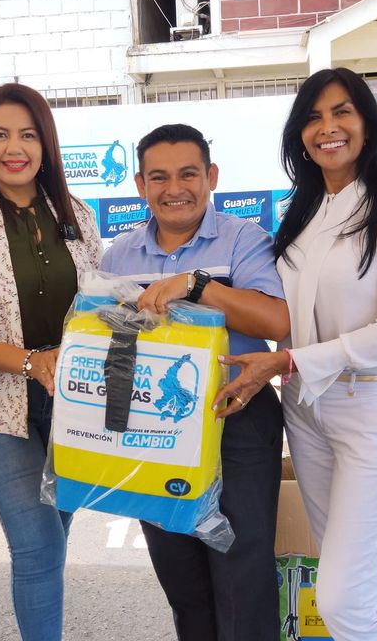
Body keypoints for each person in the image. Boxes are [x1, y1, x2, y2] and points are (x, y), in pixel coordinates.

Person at [215, 67, 377, 641]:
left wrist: (287, 361)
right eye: (313, 118)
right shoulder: (304, 212)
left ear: (367, 122)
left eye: (342, 112)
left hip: (371, 410)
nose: (328, 128)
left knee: (341, 592)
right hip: (305, 408)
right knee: (353, 581)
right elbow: (282, 313)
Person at [100, 123, 289, 641]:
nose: (174, 188)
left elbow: (277, 322)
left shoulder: (243, 239)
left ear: (212, 177)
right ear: (140, 185)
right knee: (181, 579)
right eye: (159, 177)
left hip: (237, 418)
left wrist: (196, 286)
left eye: (188, 174)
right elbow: (109, 345)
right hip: (154, 427)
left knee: (242, 575)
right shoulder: (118, 257)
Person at [0, 83, 102, 641]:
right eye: (1, 134)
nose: (15, 148)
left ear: (45, 143)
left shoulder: (76, 215)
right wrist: (34, 363)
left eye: (28, 135)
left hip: (74, 405)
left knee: (55, 533)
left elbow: (98, 303)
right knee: (36, 544)